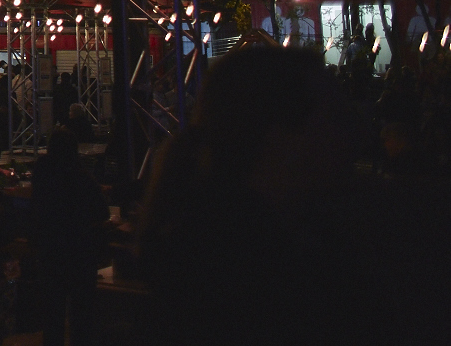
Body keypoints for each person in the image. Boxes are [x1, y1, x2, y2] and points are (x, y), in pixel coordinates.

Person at [138, 45, 446, 344]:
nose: (354, 137)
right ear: (280, 137)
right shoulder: (251, 271)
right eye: (333, 119)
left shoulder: (210, 243)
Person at [31, 127, 106, 346]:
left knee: (52, 313)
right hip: (79, 251)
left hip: (50, 249)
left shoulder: (42, 171)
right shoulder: (80, 175)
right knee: (81, 313)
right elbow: (101, 211)